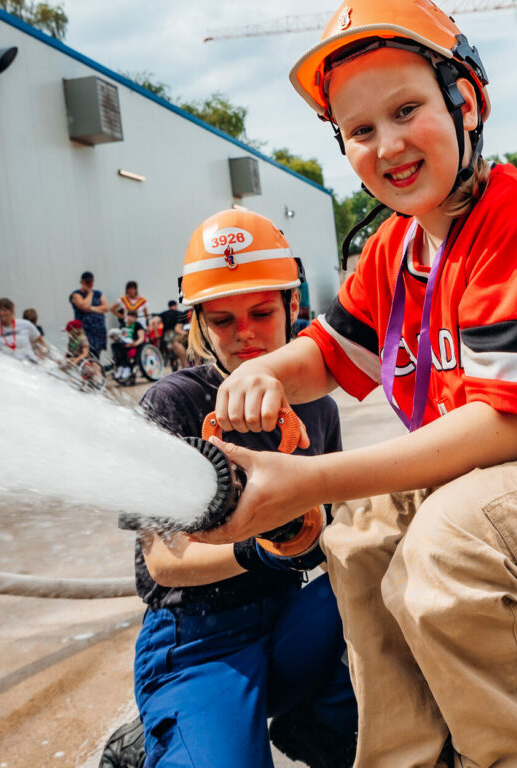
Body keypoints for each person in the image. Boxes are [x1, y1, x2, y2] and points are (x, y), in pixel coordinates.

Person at [195, 3, 517, 766]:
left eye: (406, 109)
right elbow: (334, 353)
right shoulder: (395, 247)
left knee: (448, 550)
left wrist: (306, 478)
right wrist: (268, 368)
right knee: (361, 536)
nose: (388, 144)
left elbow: (505, 426)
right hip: (507, 466)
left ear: (463, 101)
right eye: (361, 131)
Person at [129, 208, 357, 768]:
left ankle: (321, 724)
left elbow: (335, 527)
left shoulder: (318, 407)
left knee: (377, 581)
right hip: (197, 642)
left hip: (286, 621)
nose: (246, 333)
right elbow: (162, 563)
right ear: (201, 322)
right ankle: (168, 735)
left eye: (260, 312)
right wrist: (260, 544)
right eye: (224, 319)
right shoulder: (174, 403)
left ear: (292, 306)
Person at [0, 297, 46, 362]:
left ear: (12, 311)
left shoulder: (26, 325)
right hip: (7, 366)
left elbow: (40, 342)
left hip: (29, 363)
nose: (1, 313)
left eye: (5, 310)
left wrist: (39, 356)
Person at [70, 271, 109, 358]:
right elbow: (84, 306)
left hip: (98, 329)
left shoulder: (98, 294)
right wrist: (90, 293)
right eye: (87, 282)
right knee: (86, 352)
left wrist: (92, 308)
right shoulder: (76, 294)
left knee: (96, 354)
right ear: (82, 282)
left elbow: (106, 308)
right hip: (85, 330)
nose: (90, 284)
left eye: (91, 281)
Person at [62, 319, 103, 388]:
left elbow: (85, 353)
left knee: (67, 363)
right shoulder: (71, 339)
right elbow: (69, 351)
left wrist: (75, 361)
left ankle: (96, 383)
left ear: (74, 330)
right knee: (61, 362)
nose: (68, 332)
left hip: (82, 360)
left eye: (69, 330)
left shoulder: (82, 338)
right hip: (74, 358)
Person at [110, 306, 146, 382]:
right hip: (123, 342)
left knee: (123, 347)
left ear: (135, 318)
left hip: (134, 343)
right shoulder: (123, 325)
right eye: (129, 315)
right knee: (114, 345)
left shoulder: (137, 325)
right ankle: (121, 366)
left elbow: (141, 338)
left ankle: (127, 367)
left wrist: (135, 344)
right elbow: (119, 336)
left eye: (132, 316)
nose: (130, 317)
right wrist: (113, 337)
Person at [157, 299, 190, 369]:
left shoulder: (164, 313)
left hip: (166, 335)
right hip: (175, 333)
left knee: (172, 347)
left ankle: (174, 360)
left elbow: (155, 321)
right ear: (175, 305)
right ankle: (179, 361)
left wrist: (157, 334)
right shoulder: (180, 313)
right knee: (179, 346)